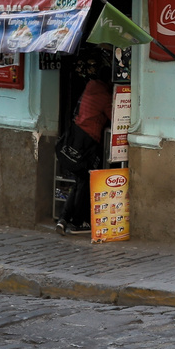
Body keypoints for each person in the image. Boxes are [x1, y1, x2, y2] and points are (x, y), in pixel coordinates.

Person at [57, 59, 113, 236]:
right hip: (87, 142)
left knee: (79, 180)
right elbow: (114, 116)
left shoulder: (90, 87)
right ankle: (77, 222)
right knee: (84, 182)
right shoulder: (105, 96)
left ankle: (63, 219)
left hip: (75, 137)